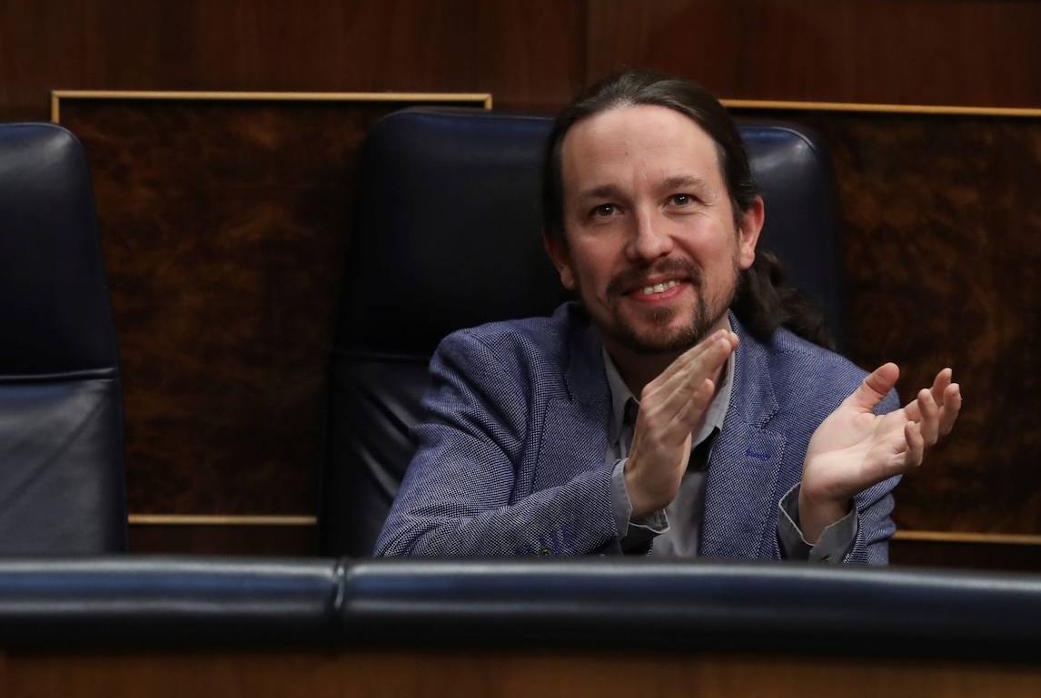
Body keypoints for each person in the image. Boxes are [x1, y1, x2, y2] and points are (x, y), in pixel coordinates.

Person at [375, 70, 961, 562]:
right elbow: (411, 566)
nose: (649, 244)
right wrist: (623, 492)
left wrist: (818, 517)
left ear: (745, 230)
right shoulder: (497, 374)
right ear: (563, 257)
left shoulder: (836, 403)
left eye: (681, 199)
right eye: (606, 210)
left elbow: (856, 663)